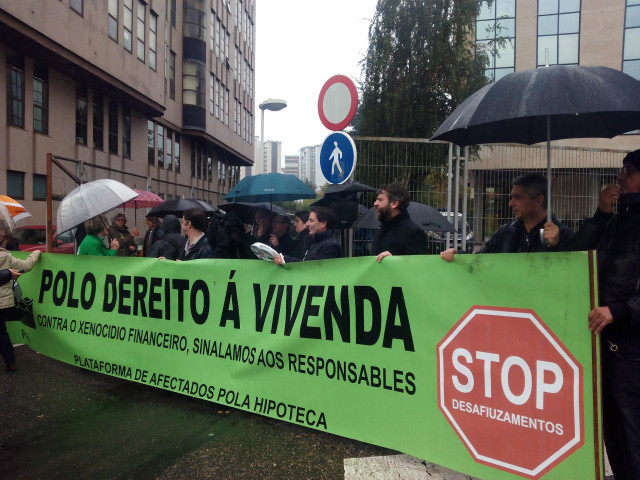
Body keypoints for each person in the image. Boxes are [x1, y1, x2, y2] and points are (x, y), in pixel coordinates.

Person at [569, 149, 640, 480]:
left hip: (633, 351)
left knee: (634, 432)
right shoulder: (616, 219)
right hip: (605, 344)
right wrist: (600, 213)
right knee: (612, 430)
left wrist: (621, 310)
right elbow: (578, 252)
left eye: (628, 171)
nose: (620, 177)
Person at [440, 173, 574, 262]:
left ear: (538, 200)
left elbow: (571, 278)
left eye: (518, 197)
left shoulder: (565, 236)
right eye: (511, 197)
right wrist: (458, 256)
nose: (510, 204)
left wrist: (557, 246)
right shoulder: (505, 233)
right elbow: (480, 260)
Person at [0, 221, 40, 372]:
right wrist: (36, 253)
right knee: (2, 332)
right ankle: (11, 362)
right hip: (4, 303)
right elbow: (27, 265)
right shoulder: (7, 257)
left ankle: (11, 361)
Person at [372, 182, 428, 262]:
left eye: (380, 200)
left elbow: (418, 267)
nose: (375, 203)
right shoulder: (380, 228)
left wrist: (394, 261)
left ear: (394, 203)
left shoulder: (412, 232)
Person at [274, 207, 342, 263]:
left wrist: (286, 259)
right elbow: (303, 262)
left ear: (323, 223)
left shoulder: (330, 247)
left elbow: (313, 269)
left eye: (311, 221)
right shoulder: (311, 242)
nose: (307, 224)